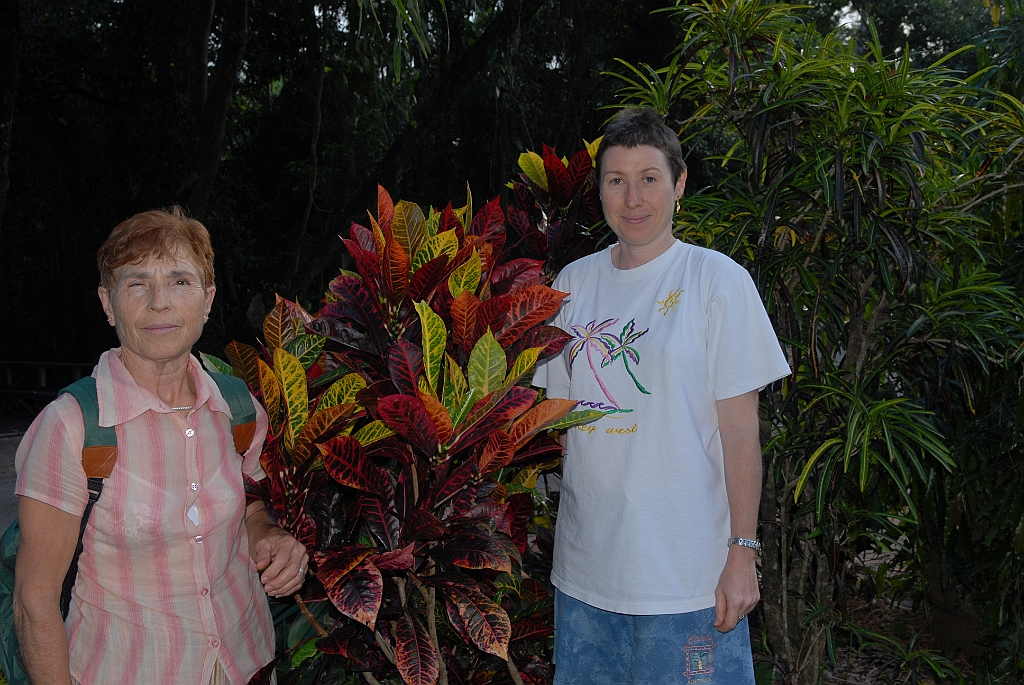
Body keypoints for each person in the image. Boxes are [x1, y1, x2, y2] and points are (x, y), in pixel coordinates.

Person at [534, 108, 791, 684]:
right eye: (616, 180)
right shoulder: (571, 285)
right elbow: (557, 427)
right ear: (599, 191)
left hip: (688, 583)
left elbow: (740, 431)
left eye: (649, 177)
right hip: (585, 580)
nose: (632, 197)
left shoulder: (717, 281)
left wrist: (743, 552)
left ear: (678, 186)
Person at [13, 207, 307, 685]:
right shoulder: (72, 426)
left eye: (179, 281)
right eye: (135, 284)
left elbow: (252, 510)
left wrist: (269, 537)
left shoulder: (239, 407)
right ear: (108, 304)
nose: (159, 303)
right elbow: (34, 599)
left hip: (246, 665)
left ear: (207, 300)